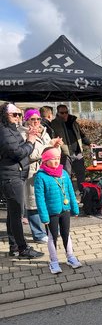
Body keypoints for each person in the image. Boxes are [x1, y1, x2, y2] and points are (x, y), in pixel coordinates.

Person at [0, 102, 44, 259]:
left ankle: (14, 246)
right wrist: (30, 141)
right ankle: (22, 248)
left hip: (17, 175)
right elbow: (18, 153)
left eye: (19, 114)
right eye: (14, 114)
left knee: (13, 213)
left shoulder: (11, 129)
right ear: (5, 115)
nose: (18, 117)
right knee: (17, 213)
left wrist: (29, 139)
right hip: (11, 177)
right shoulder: (3, 131)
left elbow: (21, 150)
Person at [34, 147, 82, 274]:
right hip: (51, 213)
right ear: (45, 160)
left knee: (66, 233)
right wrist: (44, 216)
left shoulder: (64, 173)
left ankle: (70, 256)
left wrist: (75, 208)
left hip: (65, 210)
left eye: (58, 158)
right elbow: (40, 198)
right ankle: (54, 261)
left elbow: (71, 192)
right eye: (52, 159)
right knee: (52, 236)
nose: (56, 161)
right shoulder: (41, 176)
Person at [21, 108, 63, 244]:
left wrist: (56, 146)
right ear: (26, 120)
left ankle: (51, 229)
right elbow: (30, 154)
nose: (36, 122)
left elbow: (52, 153)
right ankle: (38, 234)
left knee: (48, 200)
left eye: (38, 119)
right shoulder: (23, 134)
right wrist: (49, 145)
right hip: (32, 173)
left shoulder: (44, 131)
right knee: (33, 202)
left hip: (47, 171)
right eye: (32, 119)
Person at [50, 104, 90, 191]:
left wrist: (89, 143)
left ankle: (84, 193)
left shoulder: (73, 122)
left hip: (77, 152)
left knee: (81, 174)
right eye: (62, 113)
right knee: (66, 176)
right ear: (58, 113)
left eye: (66, 112)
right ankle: (68, 194)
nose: (64, 114)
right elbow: (51, 139)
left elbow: (81, 135)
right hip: (65, 154)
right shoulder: (54, 124)